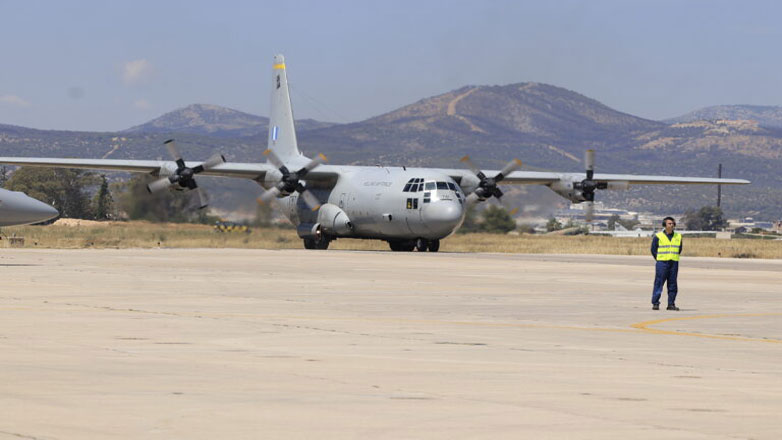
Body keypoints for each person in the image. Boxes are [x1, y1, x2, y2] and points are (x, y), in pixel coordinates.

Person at [650, 216, 682, 310]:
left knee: (672, 284)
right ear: (664, 225)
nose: (671, 225)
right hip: (662, 263)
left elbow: (679, 249)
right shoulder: (658, 236)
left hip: (674, 263)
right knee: (659, 283)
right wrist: (659, 258)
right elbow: (653, 249)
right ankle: (655, 303)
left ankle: (671, 304)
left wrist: (673, 257)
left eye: (672, 223)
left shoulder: (678, 236)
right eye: (669, 223)